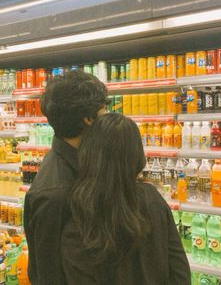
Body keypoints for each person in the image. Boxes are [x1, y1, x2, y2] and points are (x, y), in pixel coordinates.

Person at [61, 113, 191, 285]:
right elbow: (179, 269)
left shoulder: (79, 208)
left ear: (88, 153)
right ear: (137, 154)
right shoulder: (151, 198)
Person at [23, 70, 109, 285]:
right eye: (104, 110)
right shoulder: (55, 193)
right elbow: (47, 273)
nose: (107, 117)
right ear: (88, 119)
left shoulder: (80, 164)